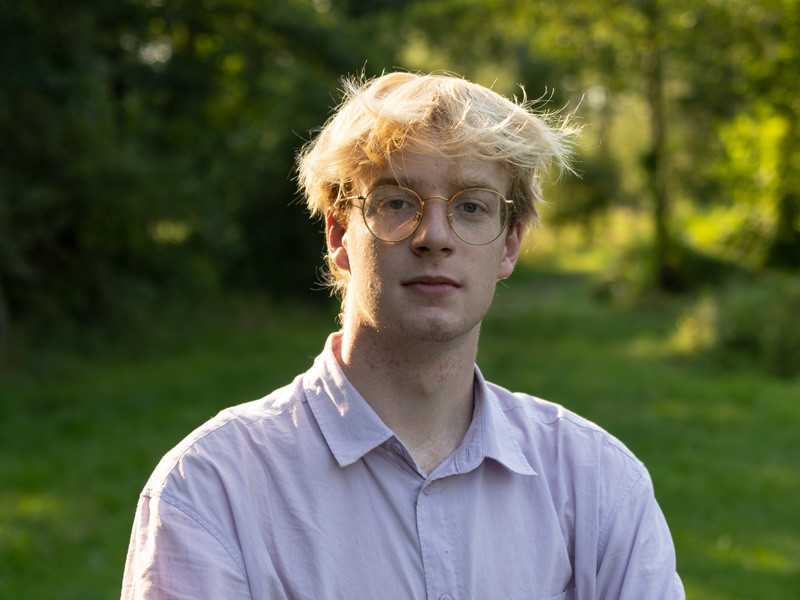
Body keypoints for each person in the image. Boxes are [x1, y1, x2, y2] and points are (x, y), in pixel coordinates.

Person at [122, 71, 684, 599]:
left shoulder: (599, 484)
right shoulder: (212, 489)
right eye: (396, 202)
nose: (434, 236)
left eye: (471, 206)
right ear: (339, 235)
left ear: (509, 244)